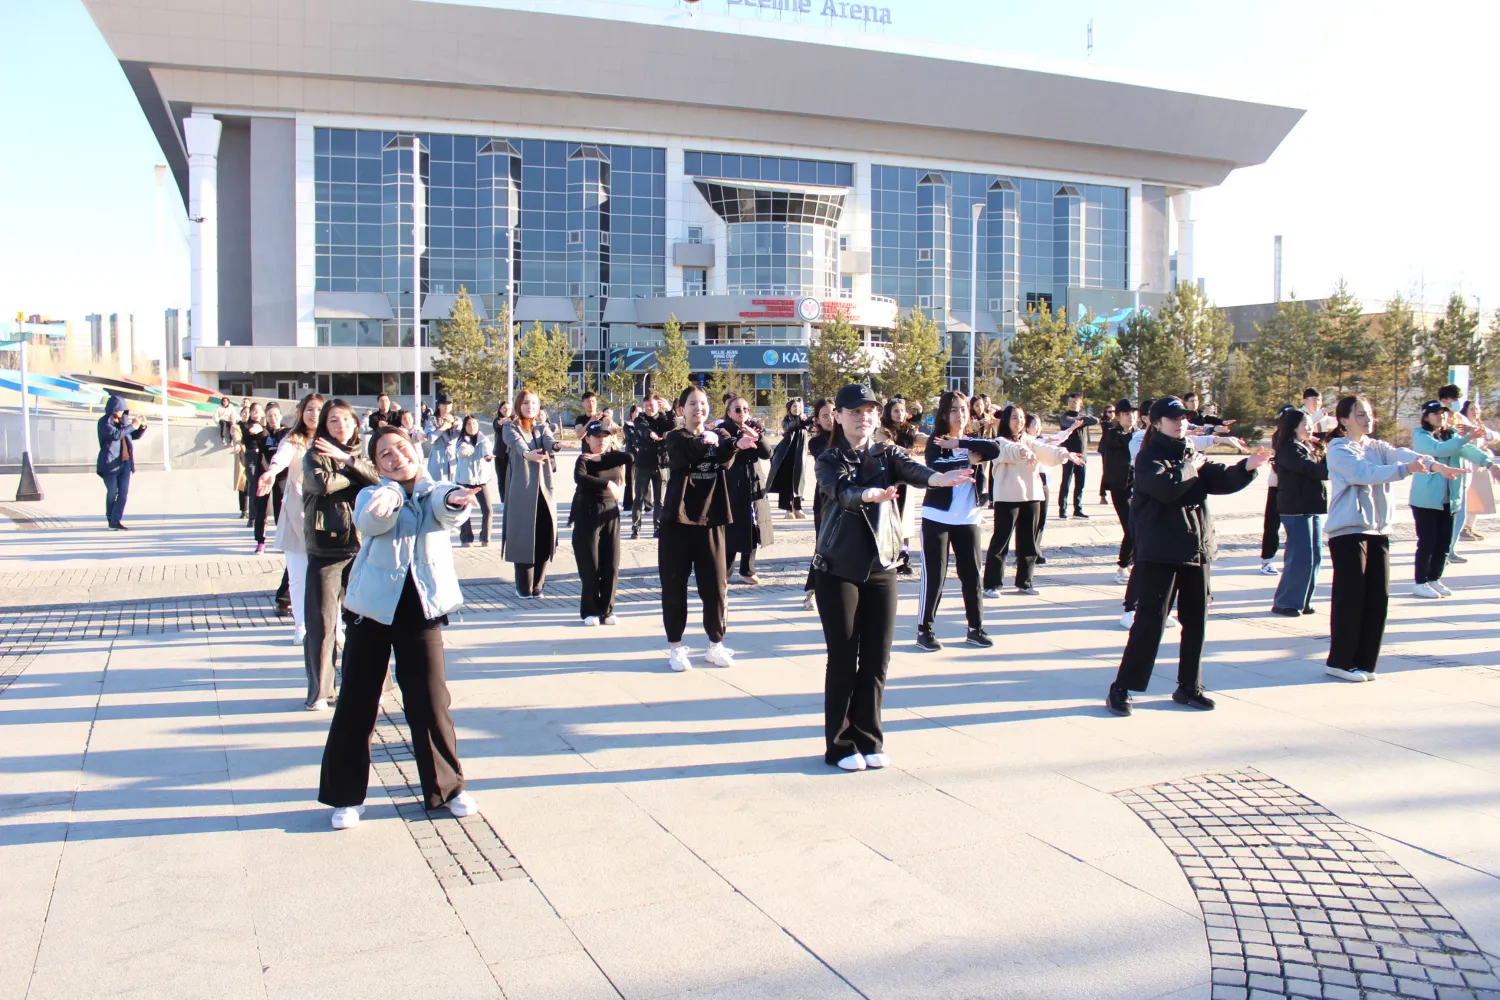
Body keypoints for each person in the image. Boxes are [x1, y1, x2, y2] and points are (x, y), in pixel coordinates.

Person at [317, 425, 482, 831]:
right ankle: (345, 798)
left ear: (416, 450)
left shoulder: (437, 489)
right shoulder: (371, 494)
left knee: (430, 701)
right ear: (376, 464)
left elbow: (446, 508)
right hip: (370, 611)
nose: (396, 457)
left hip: (420, 611)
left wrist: (458, 501)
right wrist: (387, 498)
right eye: (385, 454)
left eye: (401, 448)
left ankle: (448, 789)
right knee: (357, 702)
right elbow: (371, 520)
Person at [814, 383, 974, 770]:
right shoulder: (828, 456)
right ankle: (839, 744)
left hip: (882, 565)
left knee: (876, 658)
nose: (863, 417)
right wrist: (866, 496)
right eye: (855, 411)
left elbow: (915, 471)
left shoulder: (887, 453)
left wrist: (939, 480)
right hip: (838, 568)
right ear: (838, 416)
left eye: (869, 410)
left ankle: (869, 739)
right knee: (843, 657)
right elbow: (840, 491)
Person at [1106, 398, 1268, 717]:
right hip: (1160, 552)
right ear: (1155, 423)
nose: (1180, 422)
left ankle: (1189, 686)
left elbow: (1218, 479)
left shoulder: (1188, 452)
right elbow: (1165, 488)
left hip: (1196, 549)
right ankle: (1122, 688)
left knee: (1196, 622)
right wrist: (1192, 465)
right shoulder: (1149, 456)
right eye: (1172, 417)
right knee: (1149, 623)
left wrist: (1247, 466)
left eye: (1184, 417)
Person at [1322, 395, 1456, 682]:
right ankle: (1340, 661)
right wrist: (1406, 470)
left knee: (1377, 597)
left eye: (1369, 414)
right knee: (1351, 598)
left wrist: (1434, 466)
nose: (1367, 419)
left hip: (1378, 531)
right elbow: (1364, 473)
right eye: (1360, 415)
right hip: (1349, 531)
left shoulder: (1376, 446)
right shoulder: (1339, 448)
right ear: (1343, 420)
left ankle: (1365, 663)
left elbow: (1403, 454)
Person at [659, 386, 759, 671]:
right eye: (691, 404)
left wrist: (735, 445)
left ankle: (715, 644)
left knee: (716, 587)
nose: (698, 408)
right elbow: (687, 455)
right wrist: (706, 441)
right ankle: (676, 648)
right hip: (677, 522)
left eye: (702, 403)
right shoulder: (676, 436)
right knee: (674, 586)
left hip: (712, 519)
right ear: (681, 409)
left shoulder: (722, 435)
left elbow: (725, 455)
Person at [301, 399, 380, 710]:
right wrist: (354, 470)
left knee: (369, 620)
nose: (340, 426)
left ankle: (370, 684)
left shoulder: (364, 453)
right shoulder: (313, 455)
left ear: (355, 423)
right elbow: (322, 485)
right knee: (322, 622)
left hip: (363, 544)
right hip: (327, 546)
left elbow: (381, 479)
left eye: (345, 420)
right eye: (333, 420)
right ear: (324, 425)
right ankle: (320, 691)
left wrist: (348, 460)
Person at [915, 391, 1001, 651]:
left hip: (968, 517)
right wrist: (965, 457)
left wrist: (961, 444)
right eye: (954, 410)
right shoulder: (936, 441)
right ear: (944, 414)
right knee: (935, 575)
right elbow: (936, 466)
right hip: (937, 517)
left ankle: (975, 628)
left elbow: (995, 449)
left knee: (972, 574)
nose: (959, 414)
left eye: (963, 409)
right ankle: (924, 630)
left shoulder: (973, 440)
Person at [982, 404, 1080, 598]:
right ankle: (992, 584)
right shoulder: (999, 441)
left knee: (1029, 542)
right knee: (1001, 541)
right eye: (1014, 418)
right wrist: (1024, 452)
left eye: (1021, 418)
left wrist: (1064, 454)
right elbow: (1010, 450)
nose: (1019, 422)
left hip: (1032, 495)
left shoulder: (1030, 440)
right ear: (1006, 421)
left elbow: (1045, 450)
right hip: (1008, 497)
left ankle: (1025, 581)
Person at [258, 393, 325, 643]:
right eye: (309, 409)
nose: (314, 414)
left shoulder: (333, 440)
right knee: (298, 575)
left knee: (331, 577)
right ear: (301, 412)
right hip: (298, 513)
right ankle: (301, 625)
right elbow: (282, 457)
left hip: (328, 515)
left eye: (319, 409)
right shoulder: (294, 439)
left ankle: (334, 624)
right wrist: (272, 472)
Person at [1410, 400, 1495, 598]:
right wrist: (1466, 437)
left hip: (1450, 499)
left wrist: (1489, 464)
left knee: (1444, 543)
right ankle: (1420, 582)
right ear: (1426, 417)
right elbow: (1440, 450)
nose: (1441, 416)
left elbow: (1467, 450)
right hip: (1426, 500)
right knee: (1428, 541)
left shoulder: (1451, 434)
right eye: (1435, 413)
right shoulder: (1420, 435)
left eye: (1443, 413)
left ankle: (1434, 579)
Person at [573, 420, 633, 625]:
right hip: (588, 513)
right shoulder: (584, 459)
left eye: (605, 436)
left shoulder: (611, 458)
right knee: (591, 565)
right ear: (587, 439)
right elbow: (580, 477)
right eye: (597, 437)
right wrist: (607, 483)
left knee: (612, 564)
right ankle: (590, 610)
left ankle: (607, 610)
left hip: (610, 514)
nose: (601, 440)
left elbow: (630, 456)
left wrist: (603, 456)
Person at [501, 388, 559, 598]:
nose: (530, 407)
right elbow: (517, 444)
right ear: (519, 405)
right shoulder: (510, 426)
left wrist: (558, 445)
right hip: (522, 490)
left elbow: (549, 442)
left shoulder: (542, 427)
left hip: (544, 490)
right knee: (524, 538)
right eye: (526, 403)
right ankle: (523, 588)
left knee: (544, 537)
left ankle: (538, 587)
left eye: (534, 403)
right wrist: (527, 454)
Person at [1270, 407, 1328, 616]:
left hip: (1312, 507)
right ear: (1294, 427)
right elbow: (1308, 469)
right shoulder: (1288, 449)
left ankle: (1304, 600)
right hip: (1295, 508)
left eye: (1310, 424)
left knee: (1315, 556)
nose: (1310, 428)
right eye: (1305, 424)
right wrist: (1336, 471)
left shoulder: (1307, 447)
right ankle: (1286, 602)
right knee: (1300, 556)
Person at [721, 395, 773, 585]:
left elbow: (767, 453)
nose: (742, 412)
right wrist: (739, 440)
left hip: (754, 484)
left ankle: (748, 570)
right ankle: (724, 573)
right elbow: (723, 452)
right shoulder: (724, 430)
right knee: (732, 529)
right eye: (737, 409)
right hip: (733, 484)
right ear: (729, 413)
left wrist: (757, 437)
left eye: (745, 409)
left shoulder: (755, 427)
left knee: (754, 528)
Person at [876, 397, 925, 576]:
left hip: (907, 479)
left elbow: (921, 438)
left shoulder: (910, 429)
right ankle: (889, 555)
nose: (899, 414)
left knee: (905, 520)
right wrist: (905, 451)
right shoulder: (883, 430)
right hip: (889, 477)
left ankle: (904, 556)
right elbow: (887, 445)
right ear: (889, 412)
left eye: (902, 410)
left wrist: (937, 439)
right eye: (896, 411)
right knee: (890, 517)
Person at [802, 398, 836, 610]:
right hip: (825, 499)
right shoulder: (815, 443)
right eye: (825, 415)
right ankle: (812, 590)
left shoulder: (851, 437)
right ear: (817, 420)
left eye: (834, 413)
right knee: (822, 546)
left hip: (850, 499)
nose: (831, 418)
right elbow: (830, 457)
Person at [1099, 400, 1137, 586]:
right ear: (1118, 416)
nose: (1131, 417)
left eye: (1133, 413)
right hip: (1120, 488)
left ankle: (1132, 563)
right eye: (1126, 414)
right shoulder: (1113, 433)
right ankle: (1123, 566)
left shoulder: (1138, 434)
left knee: (1137, 526)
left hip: (1137, 486)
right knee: (1131, 527)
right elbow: (1125, 442)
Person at [96, 395, 147, 530]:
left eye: (123, 410)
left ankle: (115, 520)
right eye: (119, 409)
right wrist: (132, 426)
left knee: (123, 493)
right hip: (110, 464)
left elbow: (131, 435)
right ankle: (110, 518)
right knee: (112, 492)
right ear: (113, 409)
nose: (121, 412)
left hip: (125, 463)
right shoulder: (104, 422)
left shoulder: (123, 423)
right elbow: (116, 435)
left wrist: (141, 428)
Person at [1458, 400, 1500, 540]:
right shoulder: (1462, 426)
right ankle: (1463, 528)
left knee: (1478, 500)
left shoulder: (1478, 425)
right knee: (1470, 499)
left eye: (1477, 409)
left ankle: (1470, 527)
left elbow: (1494, 437)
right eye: (1472, 409)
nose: (1475, 411)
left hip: (1480, 467)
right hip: (1470, 466)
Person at [632, 395, 672, 539]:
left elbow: (674, 425)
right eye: (647, 405)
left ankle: (658, 528)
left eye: (652, 405)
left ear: (658, 405)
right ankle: (636, 528)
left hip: (661, 464)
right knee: (639, 498)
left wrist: (669, 409)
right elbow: (642, 428)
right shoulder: (640, 419)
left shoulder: (664, 419)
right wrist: (650, 434)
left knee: (659, 500)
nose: (649, 408)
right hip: (644, 464)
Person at [767, 397, 814, 518]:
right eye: (794, 406)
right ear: (789, 408)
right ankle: (788, 509)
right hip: (787, 454)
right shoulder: (787, 420)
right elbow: (789, 427)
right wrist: (800, 419)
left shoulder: (803, 419)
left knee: (799, 481)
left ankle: (797, 508)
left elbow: (811, 424)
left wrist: (812, 420)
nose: (797, 409)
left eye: (799, 407)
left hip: (800, 454)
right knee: (787, 481)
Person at [240, 403, 277, 554]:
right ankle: (260, 541)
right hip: (263, 474)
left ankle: (283, 540)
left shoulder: (285, 432)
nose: (273, 418)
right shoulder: (258, 431)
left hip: (280, 476)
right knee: (261, 507)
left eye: (275, 415)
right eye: (270, 416)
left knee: (281, 509)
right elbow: (247, 438)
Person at [454, 415, 496, 547]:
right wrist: (467, 449)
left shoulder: (484, 440)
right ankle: (466, 539)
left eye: (474, 424)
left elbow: (487, 450)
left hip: (481, 480)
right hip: (464, 481)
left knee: (488, 510)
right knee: (464, 510)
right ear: (464, 427)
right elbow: (462, 450)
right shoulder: (461, 441)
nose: (472, 427)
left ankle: (485, 538)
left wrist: (488, 456)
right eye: (469, 424)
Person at [1055, 392, 1098, 518]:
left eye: (1075, 402)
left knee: (1080, 484)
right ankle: (1062, 510)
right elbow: (1068, 424)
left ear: (1081, 404)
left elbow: (1095, 420)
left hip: (1082, 456)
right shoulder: (1064, 417)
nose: (1072, 404)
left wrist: (1079, 419)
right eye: (1070, 402)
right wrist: (1079, 421)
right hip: (1069, 455)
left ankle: (1077, 509)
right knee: (1066, 483)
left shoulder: (1083, 418)